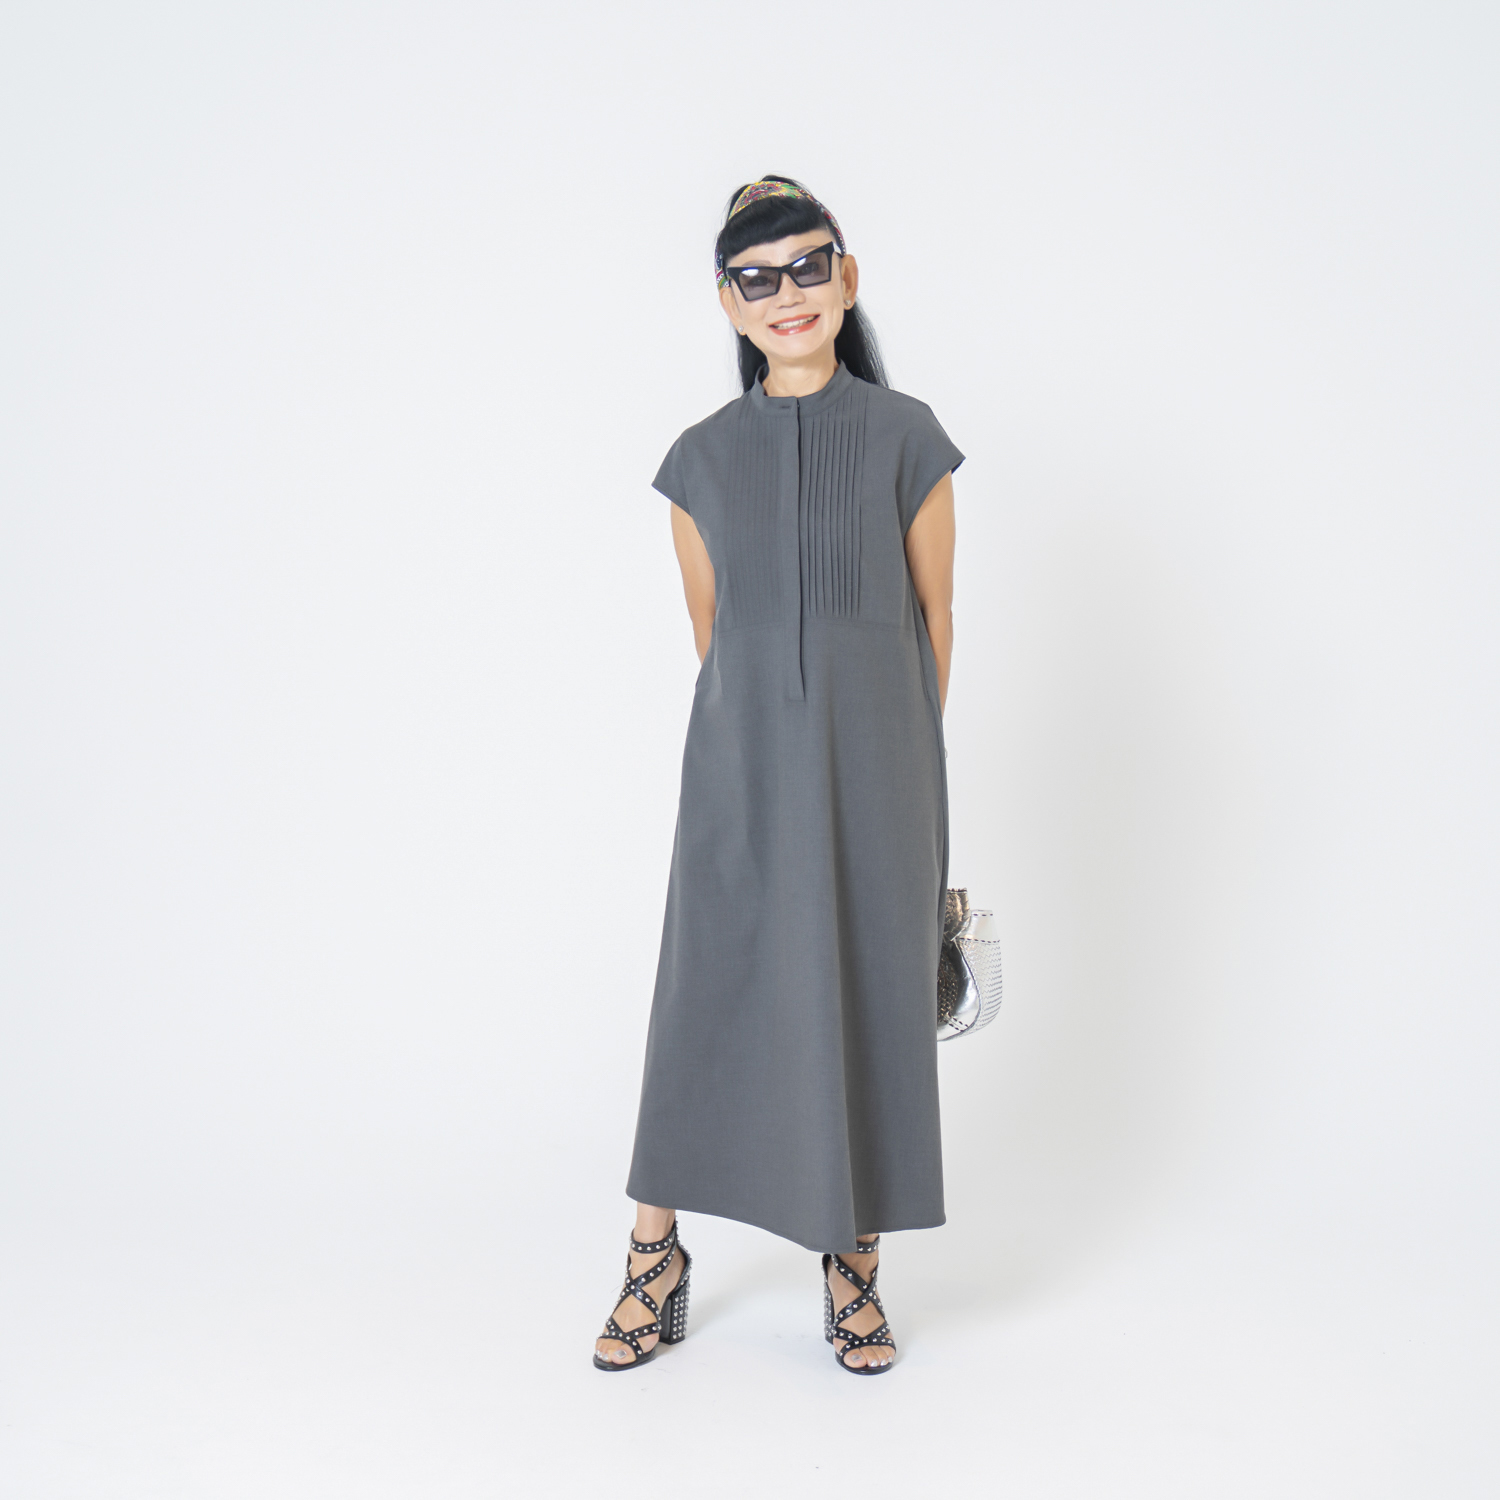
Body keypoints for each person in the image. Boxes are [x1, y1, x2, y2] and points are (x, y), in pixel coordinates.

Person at [593, 176, 963, 1376]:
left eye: (809, 267)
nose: (787, 295)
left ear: (846, 279)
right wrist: (777, 735)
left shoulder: (908, 437)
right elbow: (717, 636)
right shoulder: (698, 462)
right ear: (729, 303)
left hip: (881, 772)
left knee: (863, 995)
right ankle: (655, 1256)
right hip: (739, 773)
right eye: (757, 279)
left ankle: (853, 1269)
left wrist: (891, 759)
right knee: (703, 994)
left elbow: (934, 619)